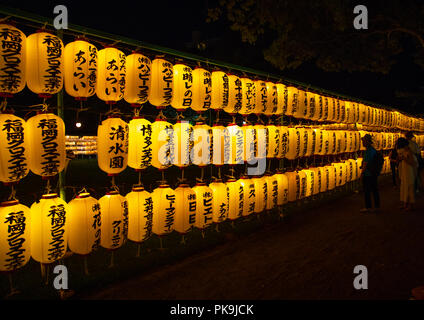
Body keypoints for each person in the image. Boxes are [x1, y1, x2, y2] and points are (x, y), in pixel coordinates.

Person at [360, 134, 380, 213]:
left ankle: (368, 207)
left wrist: (362, 173)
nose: (362, 143)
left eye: (363, 141)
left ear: (367, 142)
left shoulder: (368, 151)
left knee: (367, 191)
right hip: (374, 173)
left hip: (368, 174)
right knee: (375, 190)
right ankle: (377, 207)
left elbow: (365, 163)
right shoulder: (373, 150)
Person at [397, 137, 418, 211]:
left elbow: (412, 162)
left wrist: (404, 158)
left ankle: (410, 205)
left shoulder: (409, 152)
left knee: (409, 188)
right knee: (404, 187)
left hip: (409, 172)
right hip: (405, 171)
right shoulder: (404, 151)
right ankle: (405, 204)